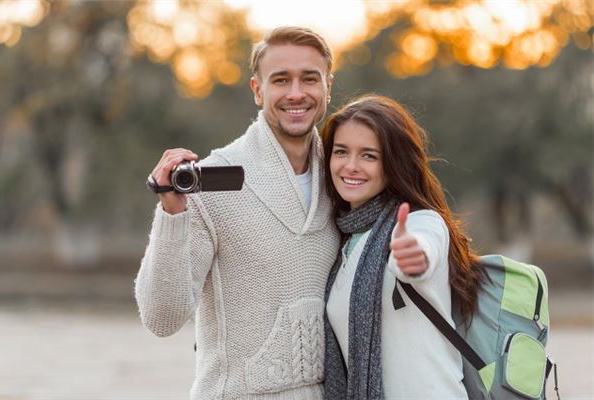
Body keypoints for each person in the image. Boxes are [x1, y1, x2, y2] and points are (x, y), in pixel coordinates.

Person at [135, 26, 340, 399]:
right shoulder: (211, 181)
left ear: (328, 85)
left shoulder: (343, 179)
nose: (296, 93)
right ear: (258, 90)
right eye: (281, 80)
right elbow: (161, 318)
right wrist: (171, 212)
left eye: (309, 79)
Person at [321, 95, 486, 399]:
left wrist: (413, 256)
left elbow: (422, 251)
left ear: (393, 163)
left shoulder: (421, 222)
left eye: (369, 155)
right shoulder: (343, 242)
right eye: (341, 151)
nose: (351, 166)